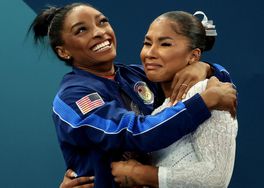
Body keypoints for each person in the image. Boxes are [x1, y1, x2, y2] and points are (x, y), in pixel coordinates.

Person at [29, 3, 236, 188]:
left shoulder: (135, 75)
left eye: (102, 22)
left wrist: (206, 68)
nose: (99, 32)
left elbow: (210, 85)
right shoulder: (73, 97)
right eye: (82, 30)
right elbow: (135, 134)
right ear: (64, 51)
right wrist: (203, 103)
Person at [110, 11, 238, 187]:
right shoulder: (158, 108)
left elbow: (216, 178)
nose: (150, 53)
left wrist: (141, 174)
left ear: (193, 55)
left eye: (165, 44)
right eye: (147, 43)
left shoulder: (209, 91)